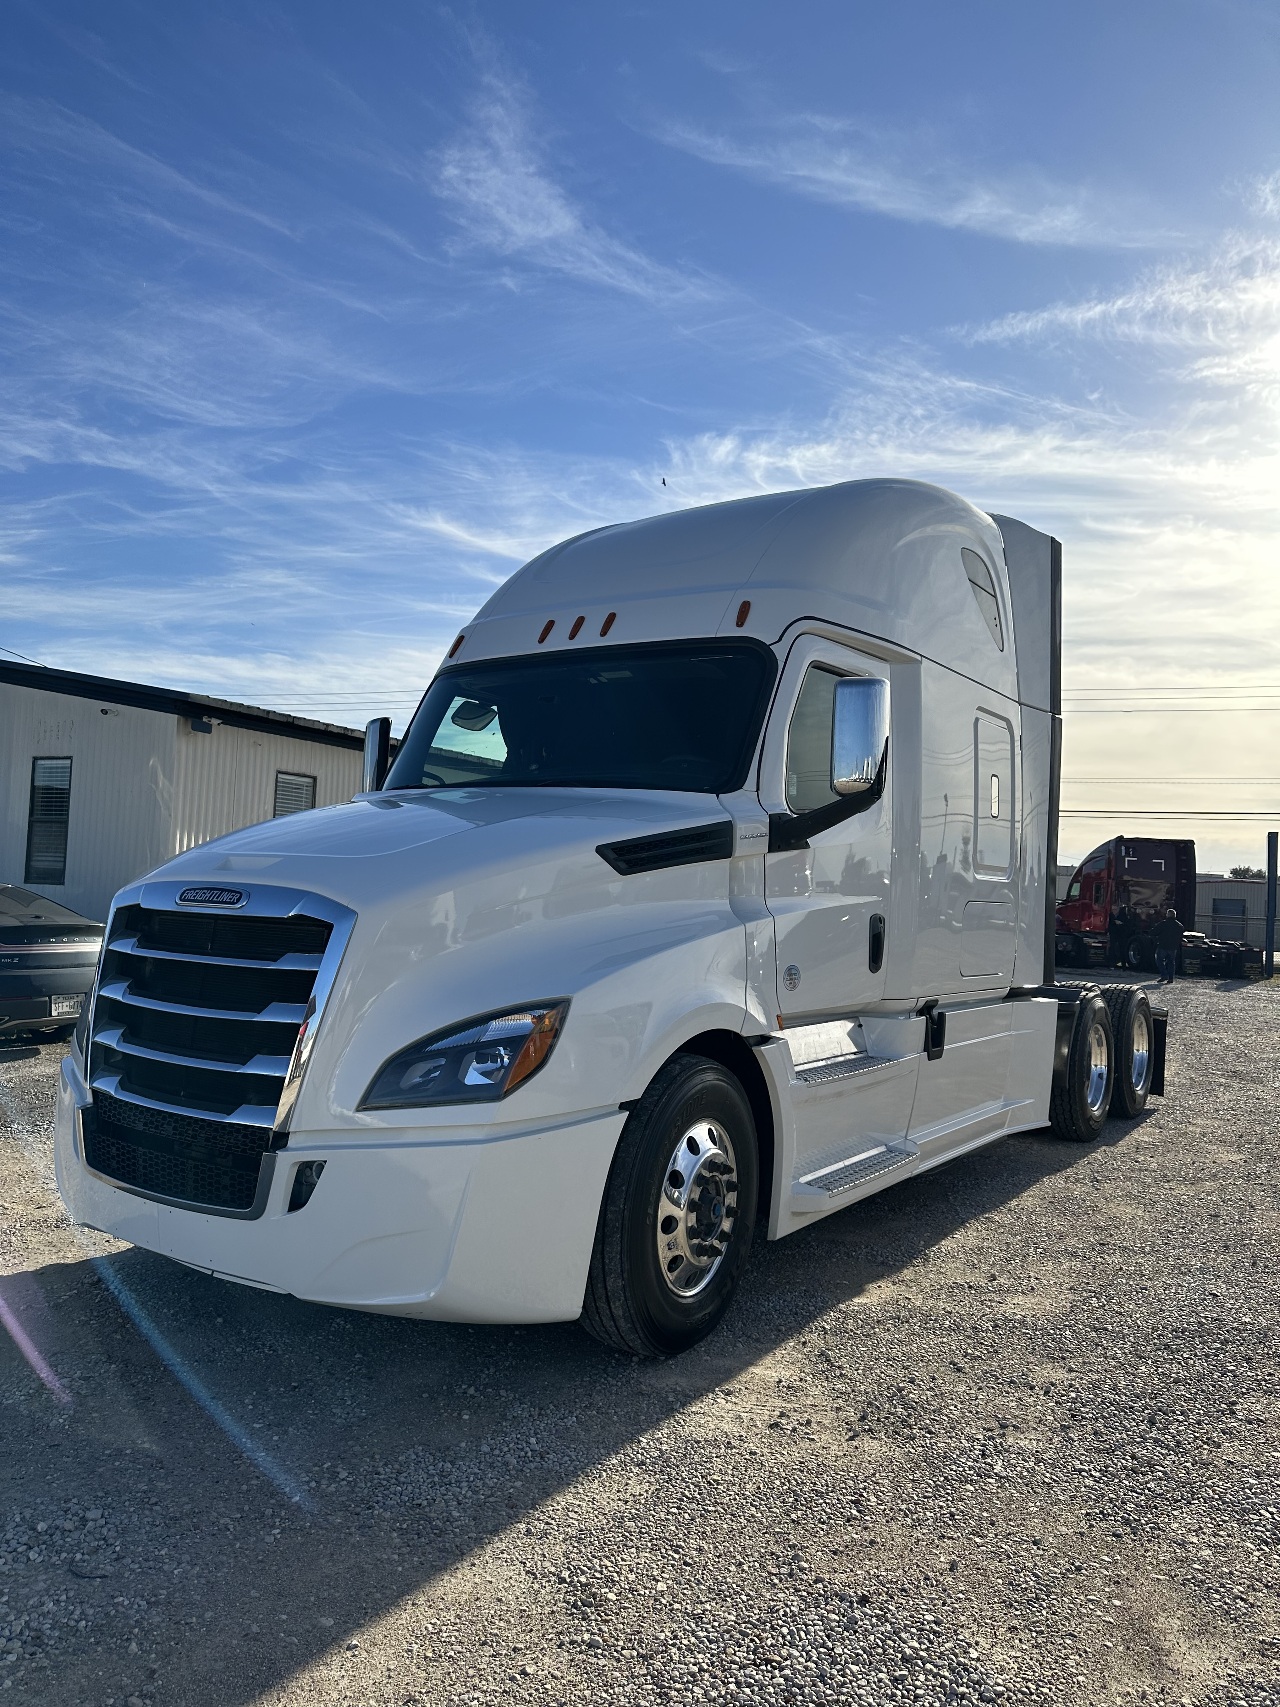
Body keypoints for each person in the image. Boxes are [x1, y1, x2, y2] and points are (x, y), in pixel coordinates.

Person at [1154, 907, 1184, 984]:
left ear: (1168, 915)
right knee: (1171, 962)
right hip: (1173, 947)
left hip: (1163, 945)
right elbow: (1181, 936)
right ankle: (1171, 978)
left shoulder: (1163, 923)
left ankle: (1164, 975)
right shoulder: (1179, 926)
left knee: (1159, 960)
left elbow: (1154, 932)